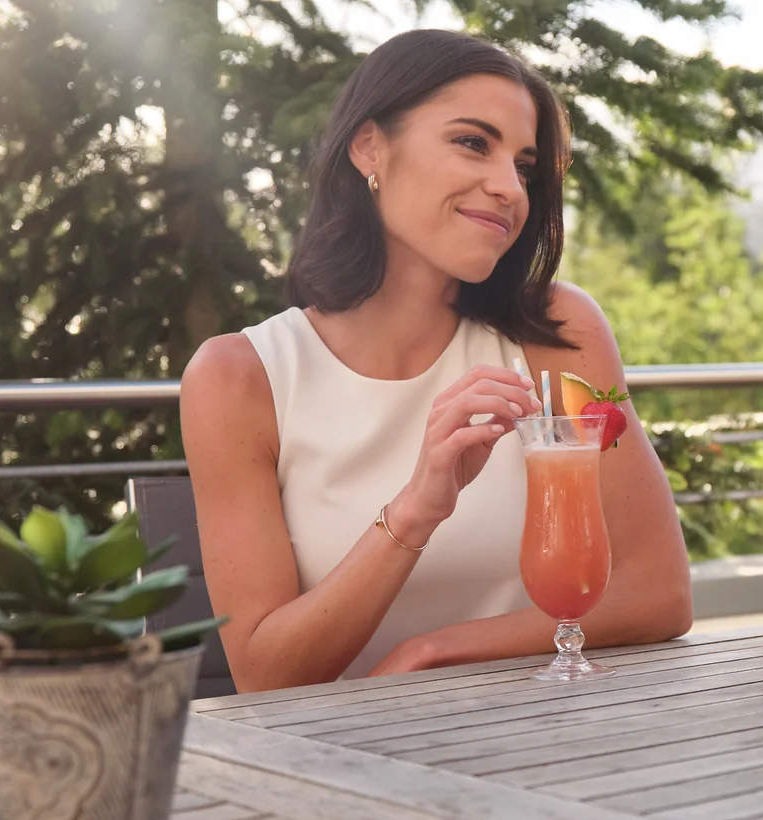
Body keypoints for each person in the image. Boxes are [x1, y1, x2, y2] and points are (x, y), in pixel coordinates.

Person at [181, 30, 692, 692]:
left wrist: (435, 652)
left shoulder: (555, 332)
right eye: (473, 143)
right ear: (370, 147)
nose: (509, 188)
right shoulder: (239, 378)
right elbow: (265, 673)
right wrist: (419, 506)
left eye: (526, 166)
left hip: (544, 749)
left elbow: (658, 593)